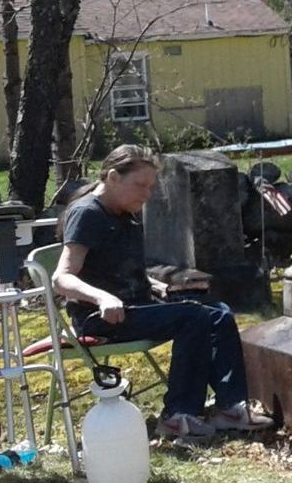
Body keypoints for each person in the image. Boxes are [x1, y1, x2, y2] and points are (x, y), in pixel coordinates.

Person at [53, 144, 271, 438]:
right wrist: (102, 297)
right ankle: (178, 414)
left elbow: (115, 267)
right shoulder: (87, 214)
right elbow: (61, 278)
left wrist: (155, 286)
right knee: (193, 318)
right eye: (140, 185)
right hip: (101, 317)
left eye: (151, 186)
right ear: (113, 177)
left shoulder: (123, 213)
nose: (147, 194)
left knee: (218, 313)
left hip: (137, 307)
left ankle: (230, 407)